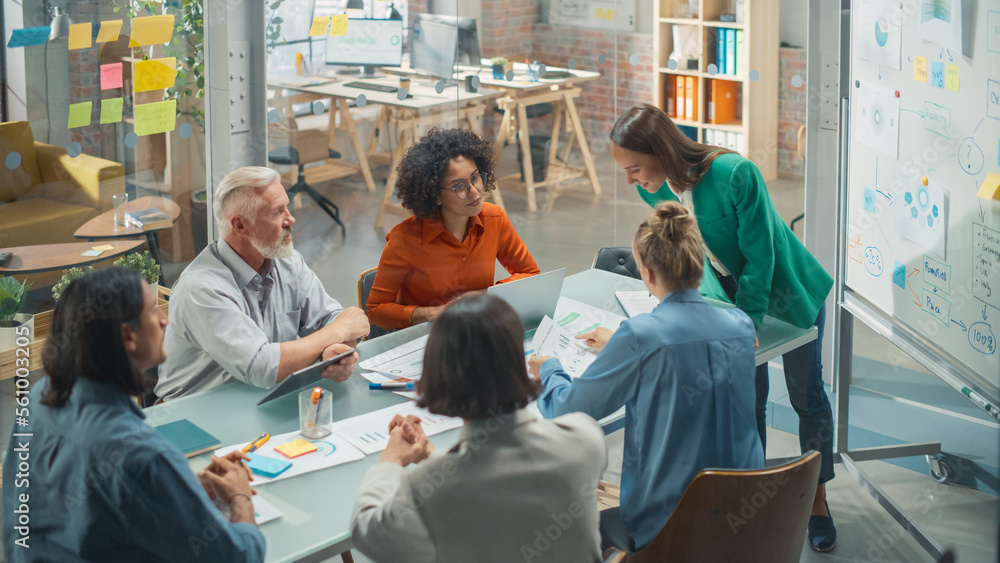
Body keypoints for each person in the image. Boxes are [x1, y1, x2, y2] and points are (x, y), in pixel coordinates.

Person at [608, 103, 837, 551]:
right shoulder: (652, 191)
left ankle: (818, 499)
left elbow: (762, 255)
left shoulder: (735, 173)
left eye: (634, 168)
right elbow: (693, 259)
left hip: (788, 296)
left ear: (659, 151)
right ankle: (752, 500)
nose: (632, 181)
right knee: (745, 401)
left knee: (806, 396)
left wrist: (745, 322)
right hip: (729, 303)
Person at [529, 201, 763, 552]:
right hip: (747, 512)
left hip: (669, 524)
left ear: (649, 274)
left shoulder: (641, 337)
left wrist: (548, 367)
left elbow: (568, 410)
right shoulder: (741, 326)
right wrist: (625, 341)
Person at [2, 268, 265, 562]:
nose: (165, 320)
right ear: (128, 335)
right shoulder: (140, 455)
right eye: (154, 311)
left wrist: (180, 488)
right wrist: (239, 497)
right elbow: (237, 557)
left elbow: (18, 521)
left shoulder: (39, 399)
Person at [351, 294, 607, 562]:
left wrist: (390, 460)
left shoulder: (427, 488)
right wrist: (433, 455)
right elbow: (505, 474)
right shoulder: (585, 437)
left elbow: (367, 531)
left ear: (439, 377)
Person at [156, 166, 369, 400]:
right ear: (240, 225)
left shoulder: (288, 262)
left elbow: (345, 322)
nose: (291, 218)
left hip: (260, 397)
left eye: (287, 207)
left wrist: (331, 353)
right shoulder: (200, 288)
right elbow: (262, 366)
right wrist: (339, 331)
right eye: (278, 212)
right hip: (192, 416)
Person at [366, 128, 540, 331]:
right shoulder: (405, 240)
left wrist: (483, 295)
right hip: (427, 338)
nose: (474, 192)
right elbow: (375, 310)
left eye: (475, 178)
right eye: (459, 186)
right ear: (435, 195)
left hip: (479, 328)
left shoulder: (494, 219)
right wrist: (431, 313)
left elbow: (530, 274)